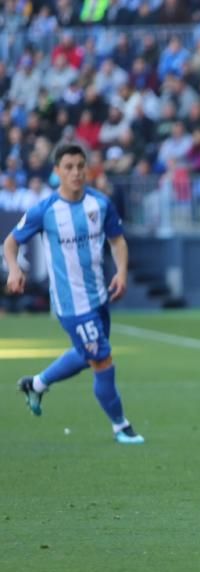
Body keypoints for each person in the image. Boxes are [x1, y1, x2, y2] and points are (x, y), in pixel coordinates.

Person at [3, 143, 144, 445]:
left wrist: (120, 272)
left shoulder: (100, 204)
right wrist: (14, 269)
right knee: (102, 360)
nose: (76, 172)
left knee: (86, 354)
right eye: (68, 167)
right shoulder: (46, 210)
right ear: (57, 172)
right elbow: (10, 243)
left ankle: (37, 384)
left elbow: (117, 241)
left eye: (80, 166)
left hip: (99, 297)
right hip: (71, 304)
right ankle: (121, 426)